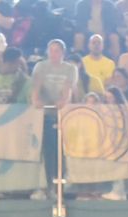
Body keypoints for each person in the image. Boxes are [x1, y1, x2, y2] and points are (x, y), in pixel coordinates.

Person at [29, 39, 81, 191]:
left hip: (62, 115)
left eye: (56, 50)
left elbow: (68, 89)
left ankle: (61, 181)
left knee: (62, 150)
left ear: (63, 53)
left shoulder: (70, 69)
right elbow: (36, 86)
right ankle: (45, 183)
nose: (53, 54)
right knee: (46, 150)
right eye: (50, 50)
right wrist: (36, 100)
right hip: (44, 114)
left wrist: (63, 101)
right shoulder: (41, 66)